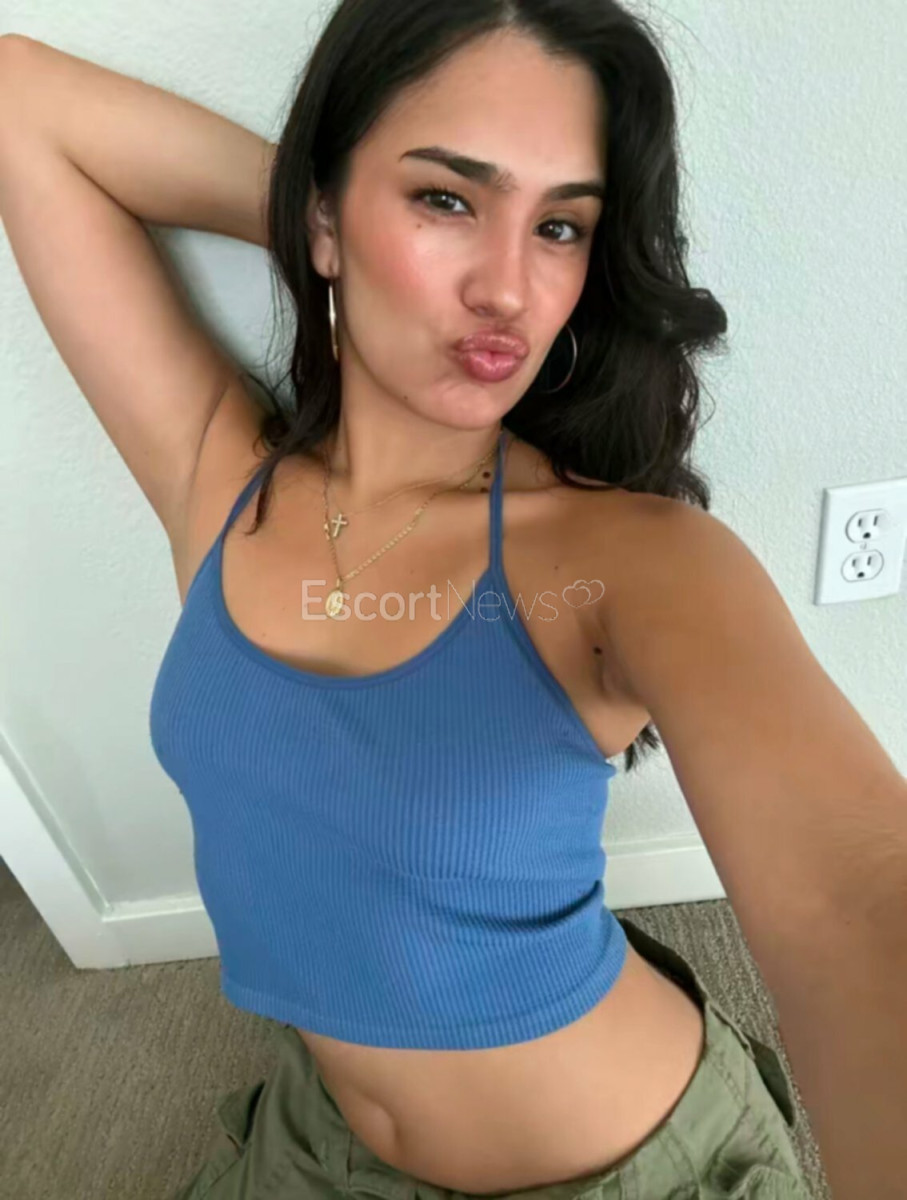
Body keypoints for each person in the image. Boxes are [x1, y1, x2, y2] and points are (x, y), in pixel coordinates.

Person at [1, 4, 905, 1198]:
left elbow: (854, 899)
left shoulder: (626, 559)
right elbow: (21, 100)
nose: (508, 289)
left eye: (560, 226)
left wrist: (382, 230)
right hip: (319, 1145)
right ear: (326, 214)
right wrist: (320, 225)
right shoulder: (221, 479)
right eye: (445, 198)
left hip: (628, 1171)